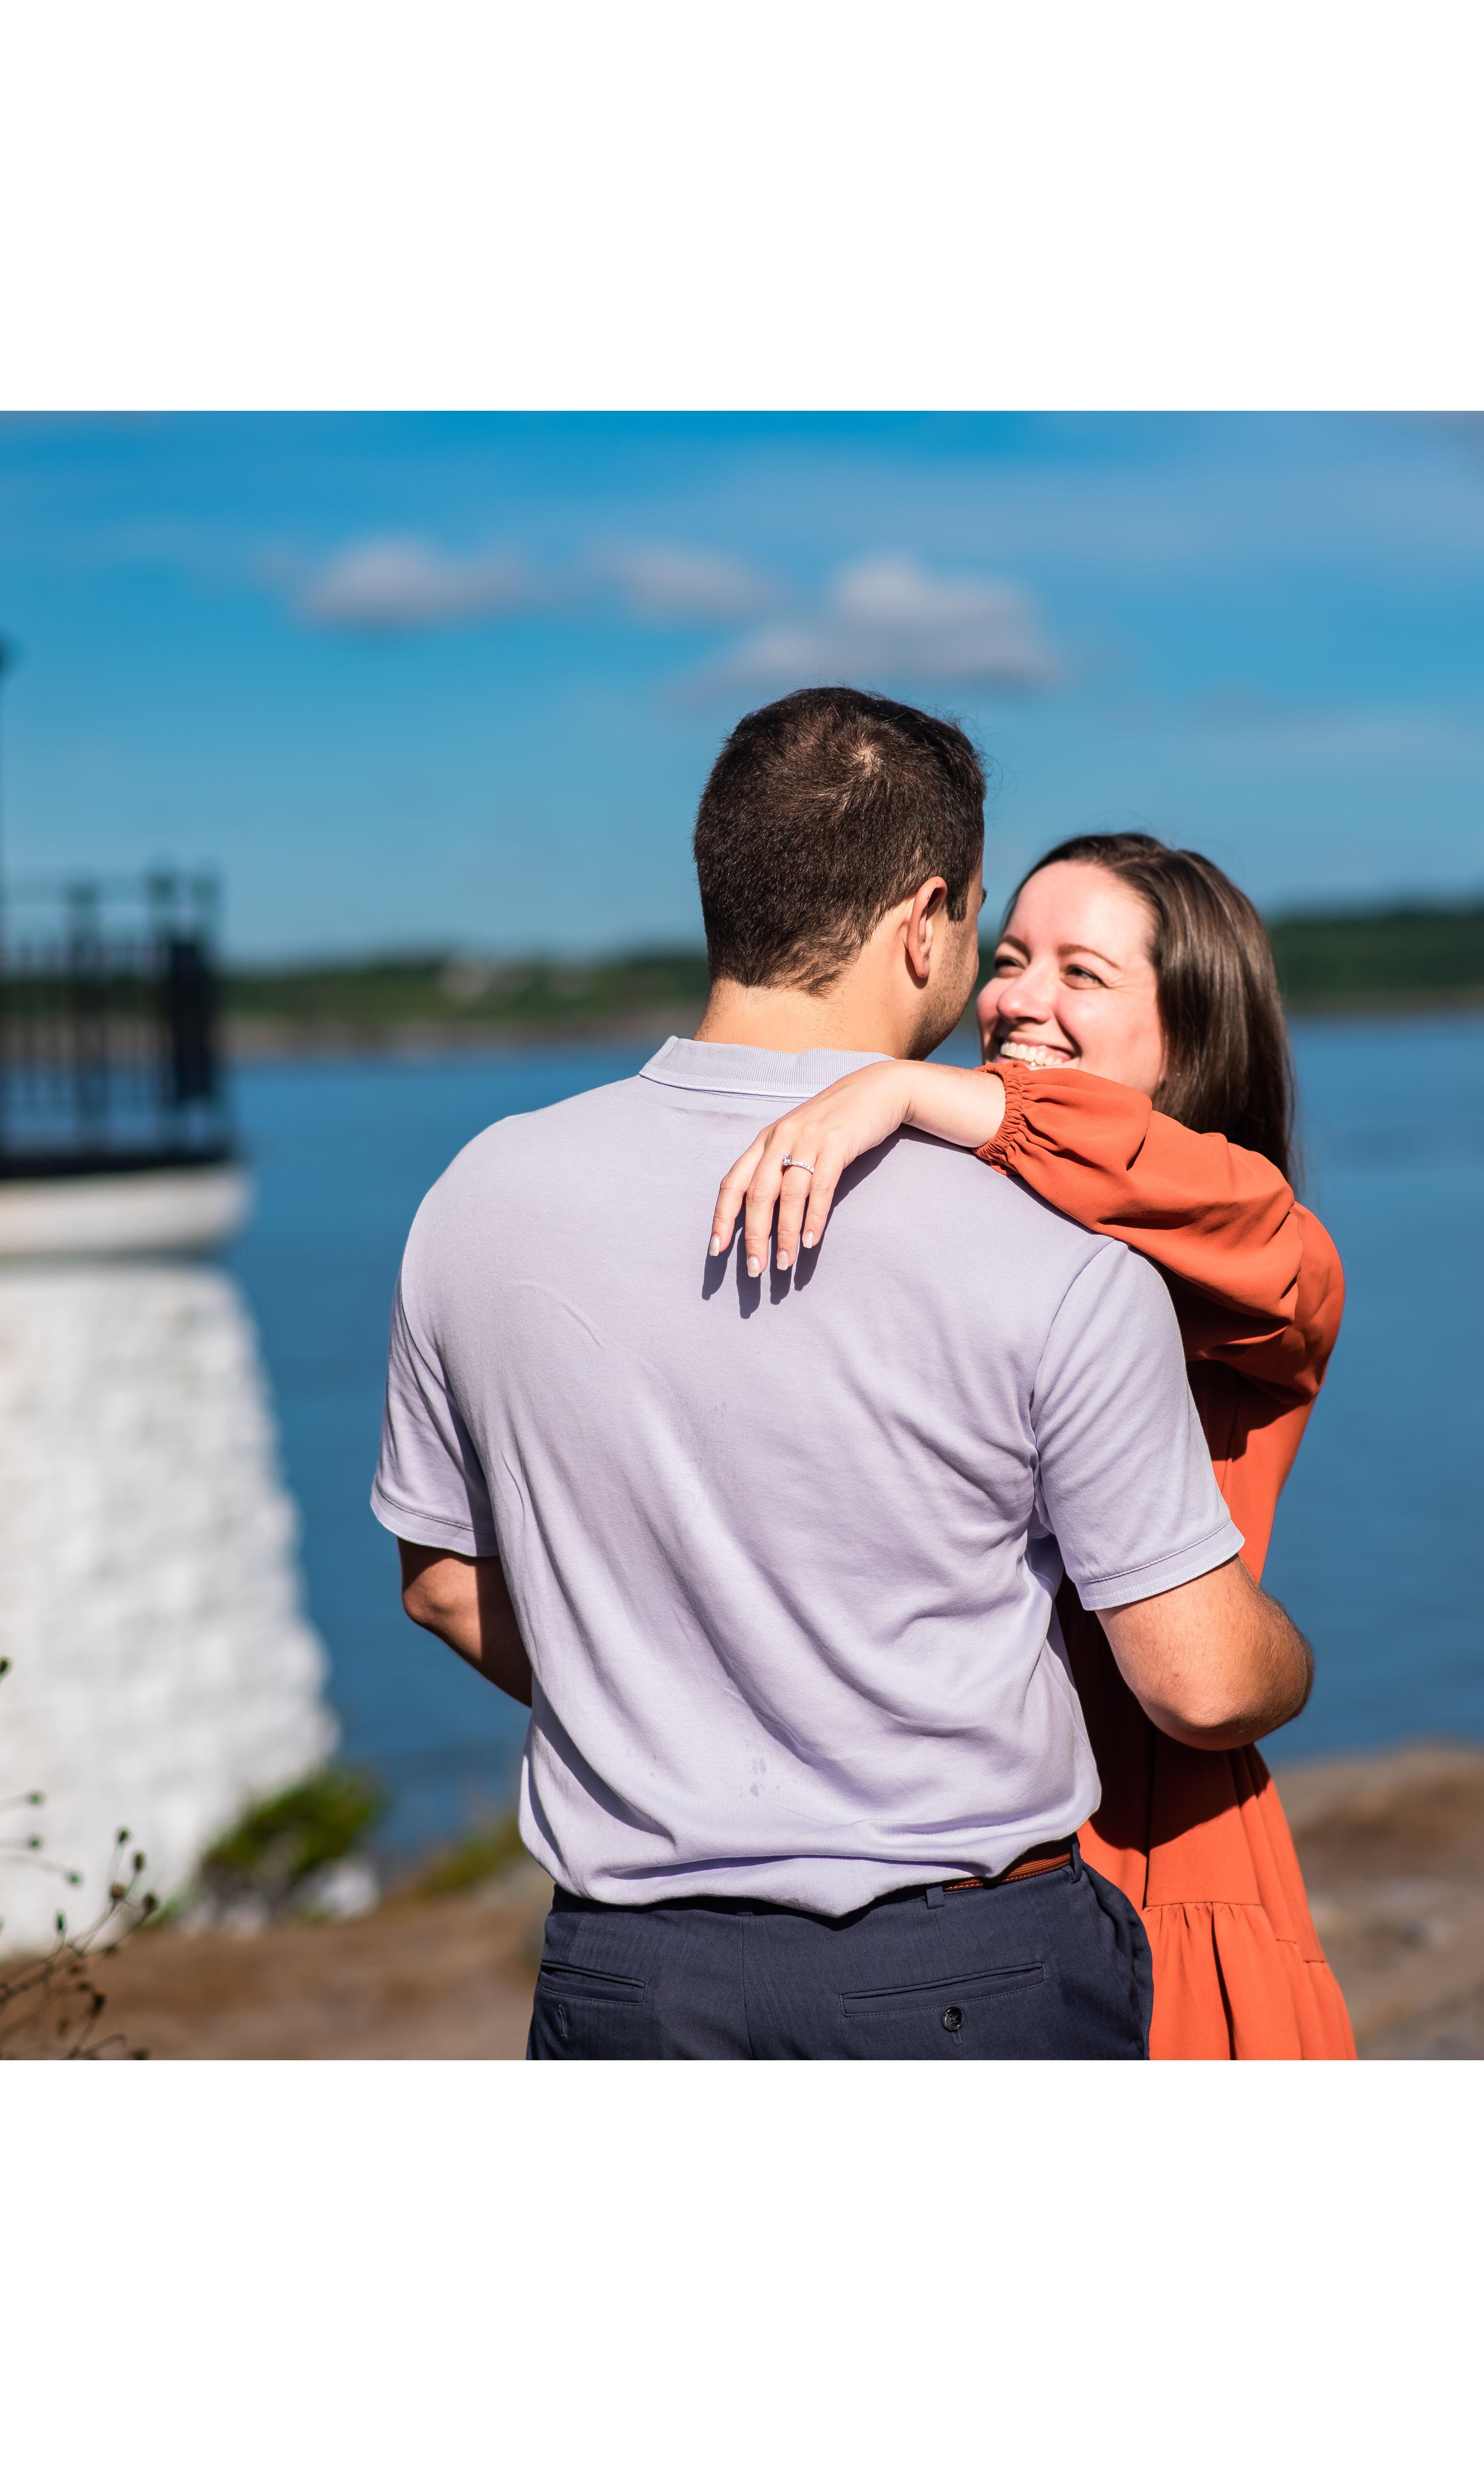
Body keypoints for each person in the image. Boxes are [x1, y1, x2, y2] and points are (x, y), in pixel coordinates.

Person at [373, 688, 1314, 2058]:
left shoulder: (476, 1198)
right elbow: (1208, 1684)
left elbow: (447, 1585)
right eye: (990, 928)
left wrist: (673, 1700)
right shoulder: (1054, 1253)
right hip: (966, 1975)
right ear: (925, 920)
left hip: (627, 1978)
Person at [711, 831, 1356, 2059]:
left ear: (1194, 1033)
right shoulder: (944, 1220)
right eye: (1009, 959)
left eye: (1082, 973)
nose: (1019, 999)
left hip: (1161, 1844)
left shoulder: (1271, 1253)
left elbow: (1216, 1204)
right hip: (934, 1855)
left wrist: (909, 1088)